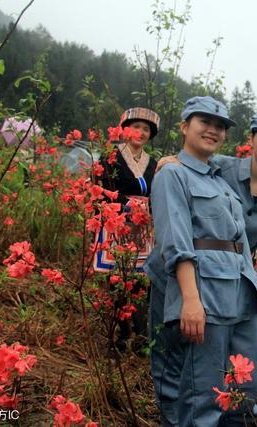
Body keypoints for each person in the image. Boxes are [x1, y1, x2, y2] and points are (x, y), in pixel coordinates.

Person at [144, 96, 257, 426]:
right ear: (185, 127)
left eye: (220, 127)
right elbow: (175, 241)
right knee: (204, 392)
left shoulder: (220, 179)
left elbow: (240, 242)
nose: (213, 130)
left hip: (240, 295)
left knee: (248, 387)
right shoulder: (172, 174)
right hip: (204, 293)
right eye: (205, 122)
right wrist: (190, 299)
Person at [156, 110, 257, 253]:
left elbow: (251, 248)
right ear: (251, 139)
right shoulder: (218, 167)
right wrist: (174, 161)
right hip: (189, 261)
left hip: (234, 271)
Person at [98, 107, 160, 353]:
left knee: (140, 281)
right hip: (117, 225)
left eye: (146, 129)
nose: (140, 133)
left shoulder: (153, 163)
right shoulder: (110, 157)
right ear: (125, 129)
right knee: (117, 279)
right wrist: (126, 206)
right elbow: (101, 190)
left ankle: (141, 336)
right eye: (136, 127)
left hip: (144, 230)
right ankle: (121, 336)